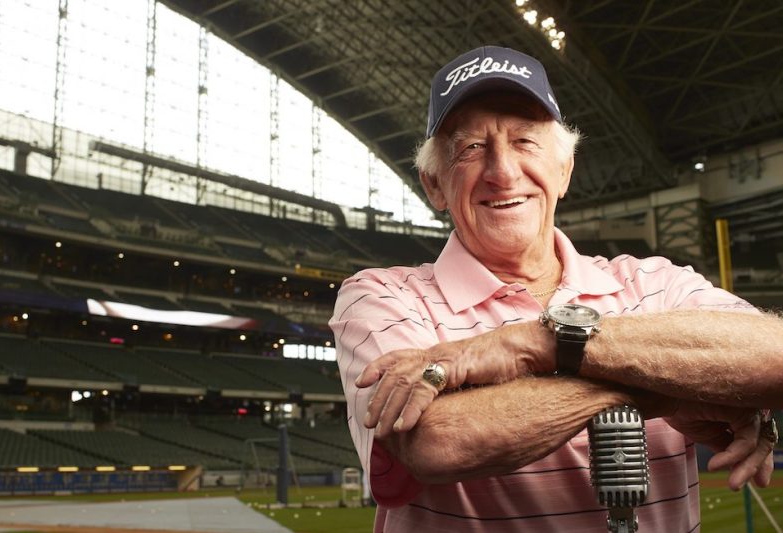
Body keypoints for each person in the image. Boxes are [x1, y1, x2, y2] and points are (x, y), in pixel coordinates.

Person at [329, 46, 782, 532]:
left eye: (525, 141)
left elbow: (774, 356)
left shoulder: (652, 281)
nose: (503, 171)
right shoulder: (381, 297)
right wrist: (662, 389)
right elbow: (434, 443)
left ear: (564, 170)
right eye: (471, 148)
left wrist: (536, 343)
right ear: (435, 184)